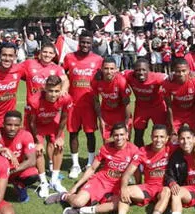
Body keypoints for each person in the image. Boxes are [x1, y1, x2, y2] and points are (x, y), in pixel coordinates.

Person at [101, 125, 195, 214]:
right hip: (148, 187)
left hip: (165, 187)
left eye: (162, 137)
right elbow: (127, 173)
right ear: (151, 137)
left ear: (167, 138)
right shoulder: (143, 151)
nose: (158, 140)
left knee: (166, 190)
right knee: (126, 190)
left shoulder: (172, 148)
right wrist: (123, 187)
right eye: (155, 136)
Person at [44, 123, 140, 214]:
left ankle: (80, 210)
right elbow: (92, 168)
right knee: (78, 202)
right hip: (100, 181)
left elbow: (136, 171)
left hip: (117, 186)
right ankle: (63, 196)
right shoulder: (105, 148)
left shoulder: (134, 151)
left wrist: (139, 187)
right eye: (116, 135)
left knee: (121, 203)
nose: (119, 138)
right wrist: (76, 187)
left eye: (122, 135)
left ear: (127, 135)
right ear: (112, 136)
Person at [63, 31, 103, 179]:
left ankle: (90, 163)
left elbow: (103, 76)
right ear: (78, 42)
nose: (85, 45)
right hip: (73, 104)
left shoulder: (98, 59)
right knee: (73, 133)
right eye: (83, 42)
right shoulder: (69, 58)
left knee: (90, 134)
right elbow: (62, 75)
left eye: (88, 42)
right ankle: (75, 165)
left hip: (90, 103)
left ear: (91, 43)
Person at [27, 75, 73, 197]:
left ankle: (54, 179)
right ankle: (43, 182)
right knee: (38, 150)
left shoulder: (66, 98)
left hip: (52, 122)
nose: (53, 94)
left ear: (61, 89)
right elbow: (31, 122)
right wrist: (37, 141)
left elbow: (64, 118)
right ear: (45, 88)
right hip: (36, 125)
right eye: (51, 91)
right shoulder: (34, 100)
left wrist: (58, 137)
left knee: (59, 146)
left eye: (57, 91)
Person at [123, 58, 167, 147]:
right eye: (138, 70)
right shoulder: (129, 75)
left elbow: (170, 77)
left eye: (144, 70)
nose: (141, 72)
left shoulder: (157, 78)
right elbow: (116, 74)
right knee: (138, 134)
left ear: (149, 70)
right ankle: (140, 156)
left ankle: (162, 157)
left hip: (158, 108)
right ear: (133, 71)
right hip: (141, 108)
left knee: (162, 133)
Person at [160, 58, 195, 138]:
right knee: (172, 138)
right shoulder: (168, 83)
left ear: (189, 70)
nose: (181, 74)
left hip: (192, 112)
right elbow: (169, 107)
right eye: (178, 71)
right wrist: (172, 126)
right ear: (173, 71)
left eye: (184, 71)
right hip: (177, 113)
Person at [0, 110, 38, 203]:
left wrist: (10, 172)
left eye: (16, 125)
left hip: (15, 170)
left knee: (33, 174)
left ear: (20, 126)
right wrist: (3, 149)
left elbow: (32, 161)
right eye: (9, 124)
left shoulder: (26, 135)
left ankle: (19, 184)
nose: (12, 128)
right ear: (3, 124)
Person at [92, 57, 132, 143]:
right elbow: (96, 100)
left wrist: (126, 121)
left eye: (111, 69)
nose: (109, 71)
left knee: (124, 141)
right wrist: (100, 119)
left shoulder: (121, 81)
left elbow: (127, 103)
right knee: (107, 142)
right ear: (102, 69)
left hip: (121, 113)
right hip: (106, 113)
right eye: (106, 68)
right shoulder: (95, 81)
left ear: (116, 69)